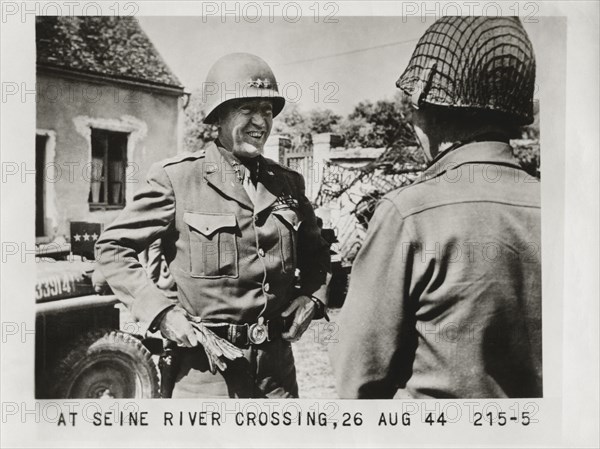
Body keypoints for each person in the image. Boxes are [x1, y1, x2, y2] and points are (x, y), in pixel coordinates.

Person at [96, 53, 331, 398]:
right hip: (204, 376)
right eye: (246, 109)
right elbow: (112, 248)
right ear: (218, 116)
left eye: (267, 110)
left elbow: (319, 257)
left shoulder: (288, 184)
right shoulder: (177, 179)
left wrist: (313, 299)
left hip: (276, 379)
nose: (260, 121)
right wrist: (161, 314)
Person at [330, 17, 542, 398]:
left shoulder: (408, 213)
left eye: (414, 109)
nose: (411, 120)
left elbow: (359, 380)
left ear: (433, 112)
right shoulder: (566, 213)